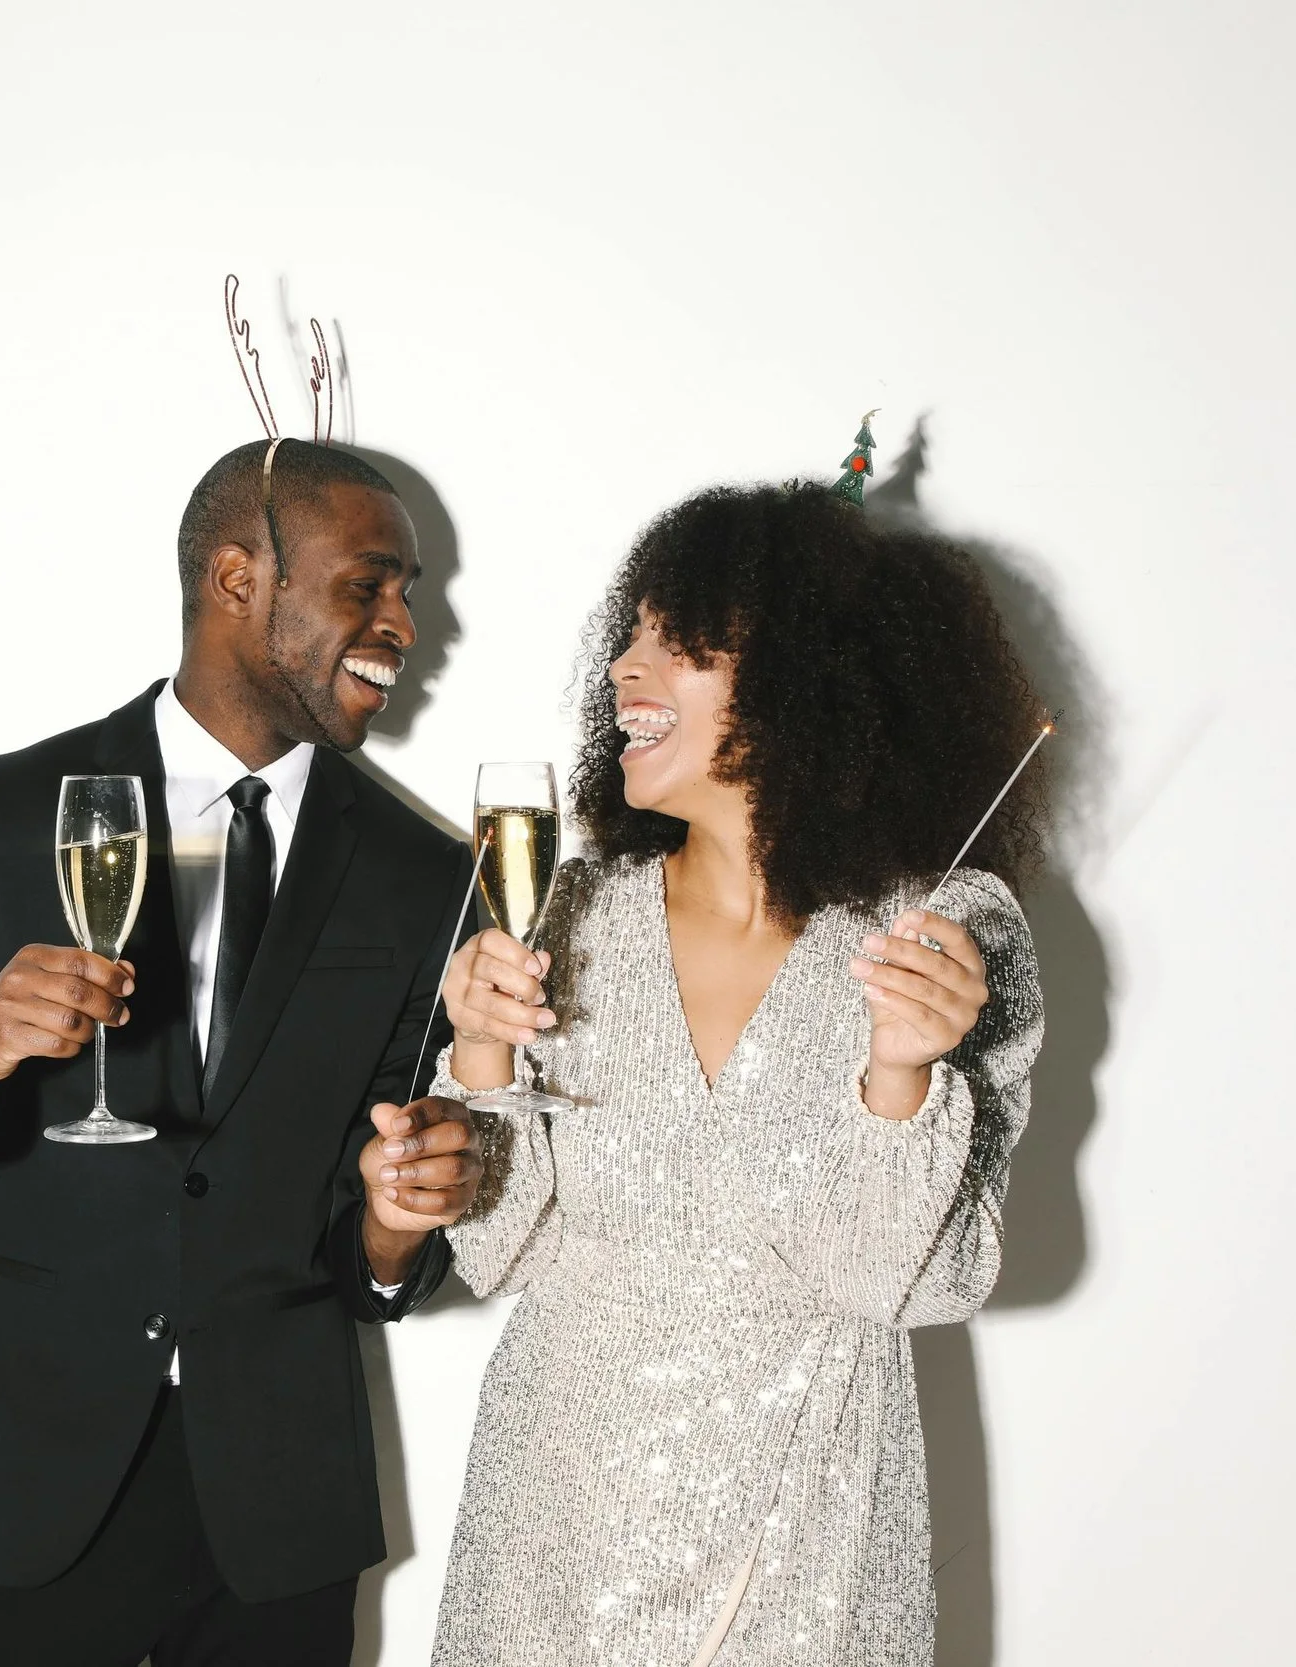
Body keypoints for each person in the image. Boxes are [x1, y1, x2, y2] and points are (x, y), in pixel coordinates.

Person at [0, 438, 482, 1666]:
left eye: (407, 592)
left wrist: (395, 1221)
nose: (406, 625)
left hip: (276, 1522)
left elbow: (384, 1260)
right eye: (369, 584)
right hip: (11, 1490)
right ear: (238, 578)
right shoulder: (0, 814)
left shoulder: (425, 877)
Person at [426, 480, 1049, 1665]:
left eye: (678, 638)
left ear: (805, 676)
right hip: (552, 1534)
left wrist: (901, 1074)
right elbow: (497, 1250)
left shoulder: (942, 935)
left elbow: (906, 1280)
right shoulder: (568, 909)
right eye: (630, 633)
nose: (624, 667)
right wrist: (480, 1047)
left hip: (803, 1553)